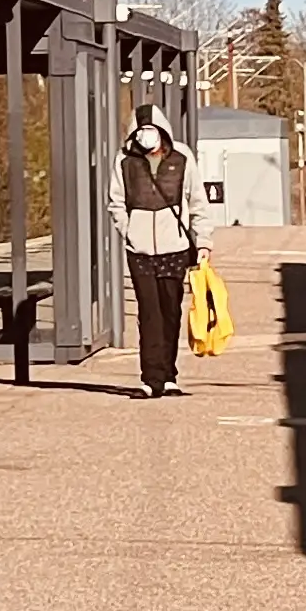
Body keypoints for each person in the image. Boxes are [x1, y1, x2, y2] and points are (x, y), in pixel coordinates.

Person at [119, 107, 211, 397]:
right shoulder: (125, 161)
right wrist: (130, 231)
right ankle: (150, 379)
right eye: (141, 132)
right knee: (149, 313)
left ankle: (169, 375)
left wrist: (204, 241)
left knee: (170, 310)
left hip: (176, 248)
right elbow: (116, 202)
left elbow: (198, 202)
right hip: (140, 251)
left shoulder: (182, 157)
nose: (146, 137)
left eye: (152, 131)